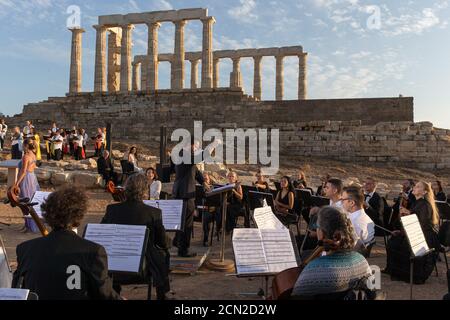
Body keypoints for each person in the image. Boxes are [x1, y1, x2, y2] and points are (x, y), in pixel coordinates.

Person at [12, 186, 121, 300]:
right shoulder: (93, 251)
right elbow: (104, 294)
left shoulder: (25, 249)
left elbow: (17, 290)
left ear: (47, 213)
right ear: (79, 215)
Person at [102, 173, 170, 300]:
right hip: (141, 270)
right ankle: (162, 294)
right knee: (164, 253)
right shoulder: (154, 213)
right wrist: (168, 244)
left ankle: (115, 291)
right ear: (145, 190)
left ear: (126, 188)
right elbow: (162, 242)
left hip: (112, 269)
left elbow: (102, 235)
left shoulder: (111, 210)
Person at [292, 206, 372, 299]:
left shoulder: (314, 270)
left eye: (317, 227)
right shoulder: (362, 261)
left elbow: (296, 295)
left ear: (322, 232)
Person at [170, 137, 221, 257]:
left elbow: (195, 171)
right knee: (187, 223)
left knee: (183, 220)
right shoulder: (184, 155)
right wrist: (213, 144)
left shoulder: (184, 155)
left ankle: (177, 241)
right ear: (190, 145)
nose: (197, 149)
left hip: (182, 193)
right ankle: (183, 250)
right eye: (196, 146)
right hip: (185, 194)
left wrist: (203, 182)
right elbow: (201, 157)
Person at [384, 181, 440, 284]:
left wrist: (408, 212)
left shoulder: (425, 204)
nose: (415, 187)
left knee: (399, 244)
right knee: (393, 241)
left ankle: (407, 274)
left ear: (424, 192)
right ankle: (393, 269)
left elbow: (421, 224)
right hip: (415, 232)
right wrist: (401, 231)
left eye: (418, 187)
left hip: (424, 236)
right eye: (415, 185)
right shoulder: (416, 202)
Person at [14, 140, 41, 232]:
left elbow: (23, 171)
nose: (22, 146)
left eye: (23, 145)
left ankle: (28, 226)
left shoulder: (26, 156)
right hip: (32, 178)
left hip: (25, 180)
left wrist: (17, 183)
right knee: (30, 202)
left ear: (26, 146)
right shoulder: (33, 154)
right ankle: (28, 225)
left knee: (24, 203)